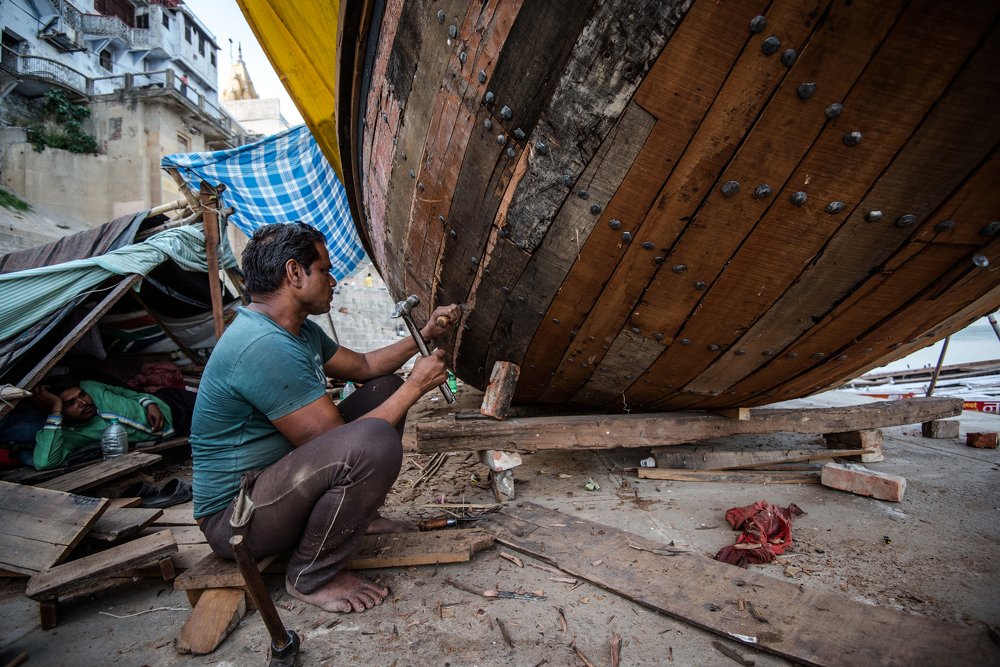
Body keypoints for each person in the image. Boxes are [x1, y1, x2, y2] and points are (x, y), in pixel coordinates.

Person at [190, 222, 459, 614]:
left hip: (270, 488)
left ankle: (356, 520)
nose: (333, 280)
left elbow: (366, 365)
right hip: (235, 519)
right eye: (325, 270)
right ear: (294, 273)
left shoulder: (297, 332)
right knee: (371, 442)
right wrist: (416, 386)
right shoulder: (263, 345)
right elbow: (344, 441)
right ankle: (311, 574)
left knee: (383, 388)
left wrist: (425, 332)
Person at [31, 376, 196, 470]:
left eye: (82, 395)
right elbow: (44, 463)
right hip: (179, 428)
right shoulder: (71, 435)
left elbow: (124, 391)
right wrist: (56, 408)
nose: (83, 402)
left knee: (220, 403)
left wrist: (148, 403)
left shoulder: (91, 385)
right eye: (70, 403)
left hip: (169, 402)